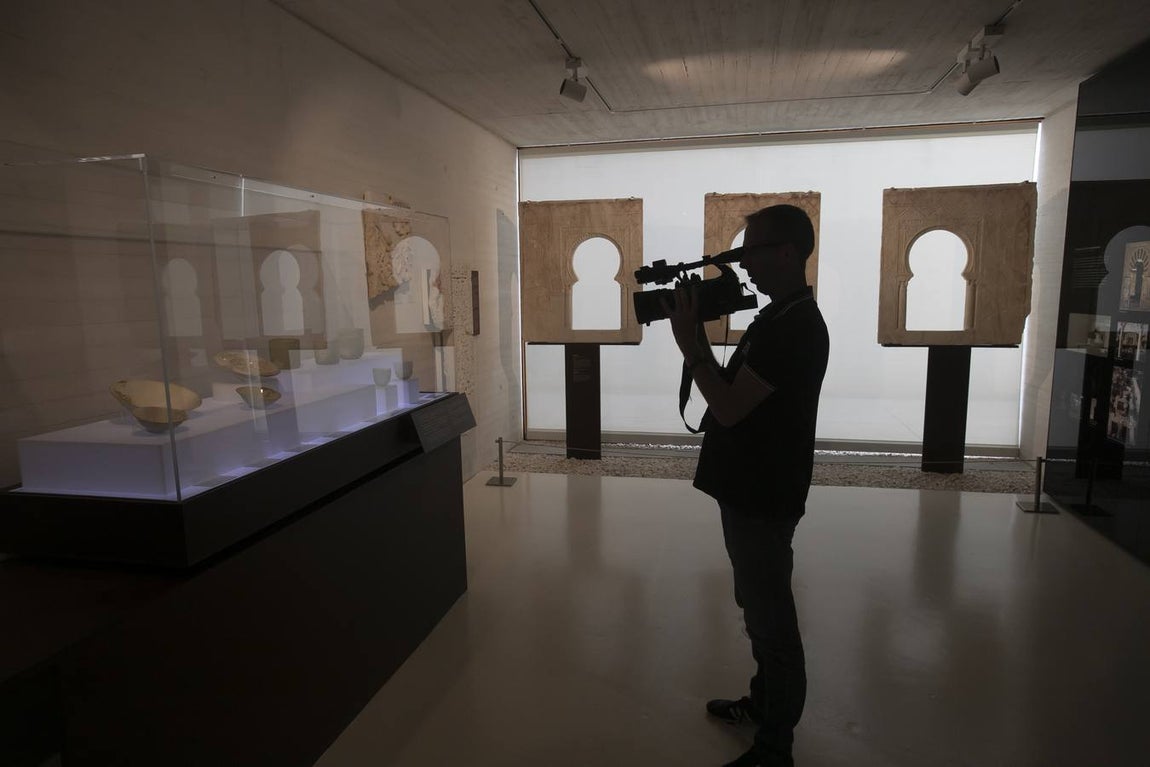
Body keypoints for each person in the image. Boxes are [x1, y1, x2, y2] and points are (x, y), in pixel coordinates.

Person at [662, 204, 829, 767]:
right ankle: (762, 705)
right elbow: (734, 394)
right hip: (751, 487)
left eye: (750, 251)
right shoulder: (780, 316)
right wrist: (697, 333)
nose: (743, 264)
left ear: (786, 252)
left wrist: (690, 343)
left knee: (771, 622)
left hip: (764, 492)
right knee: (756, 607)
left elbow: (729, 408)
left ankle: (775, 747)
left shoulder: (796, 328)